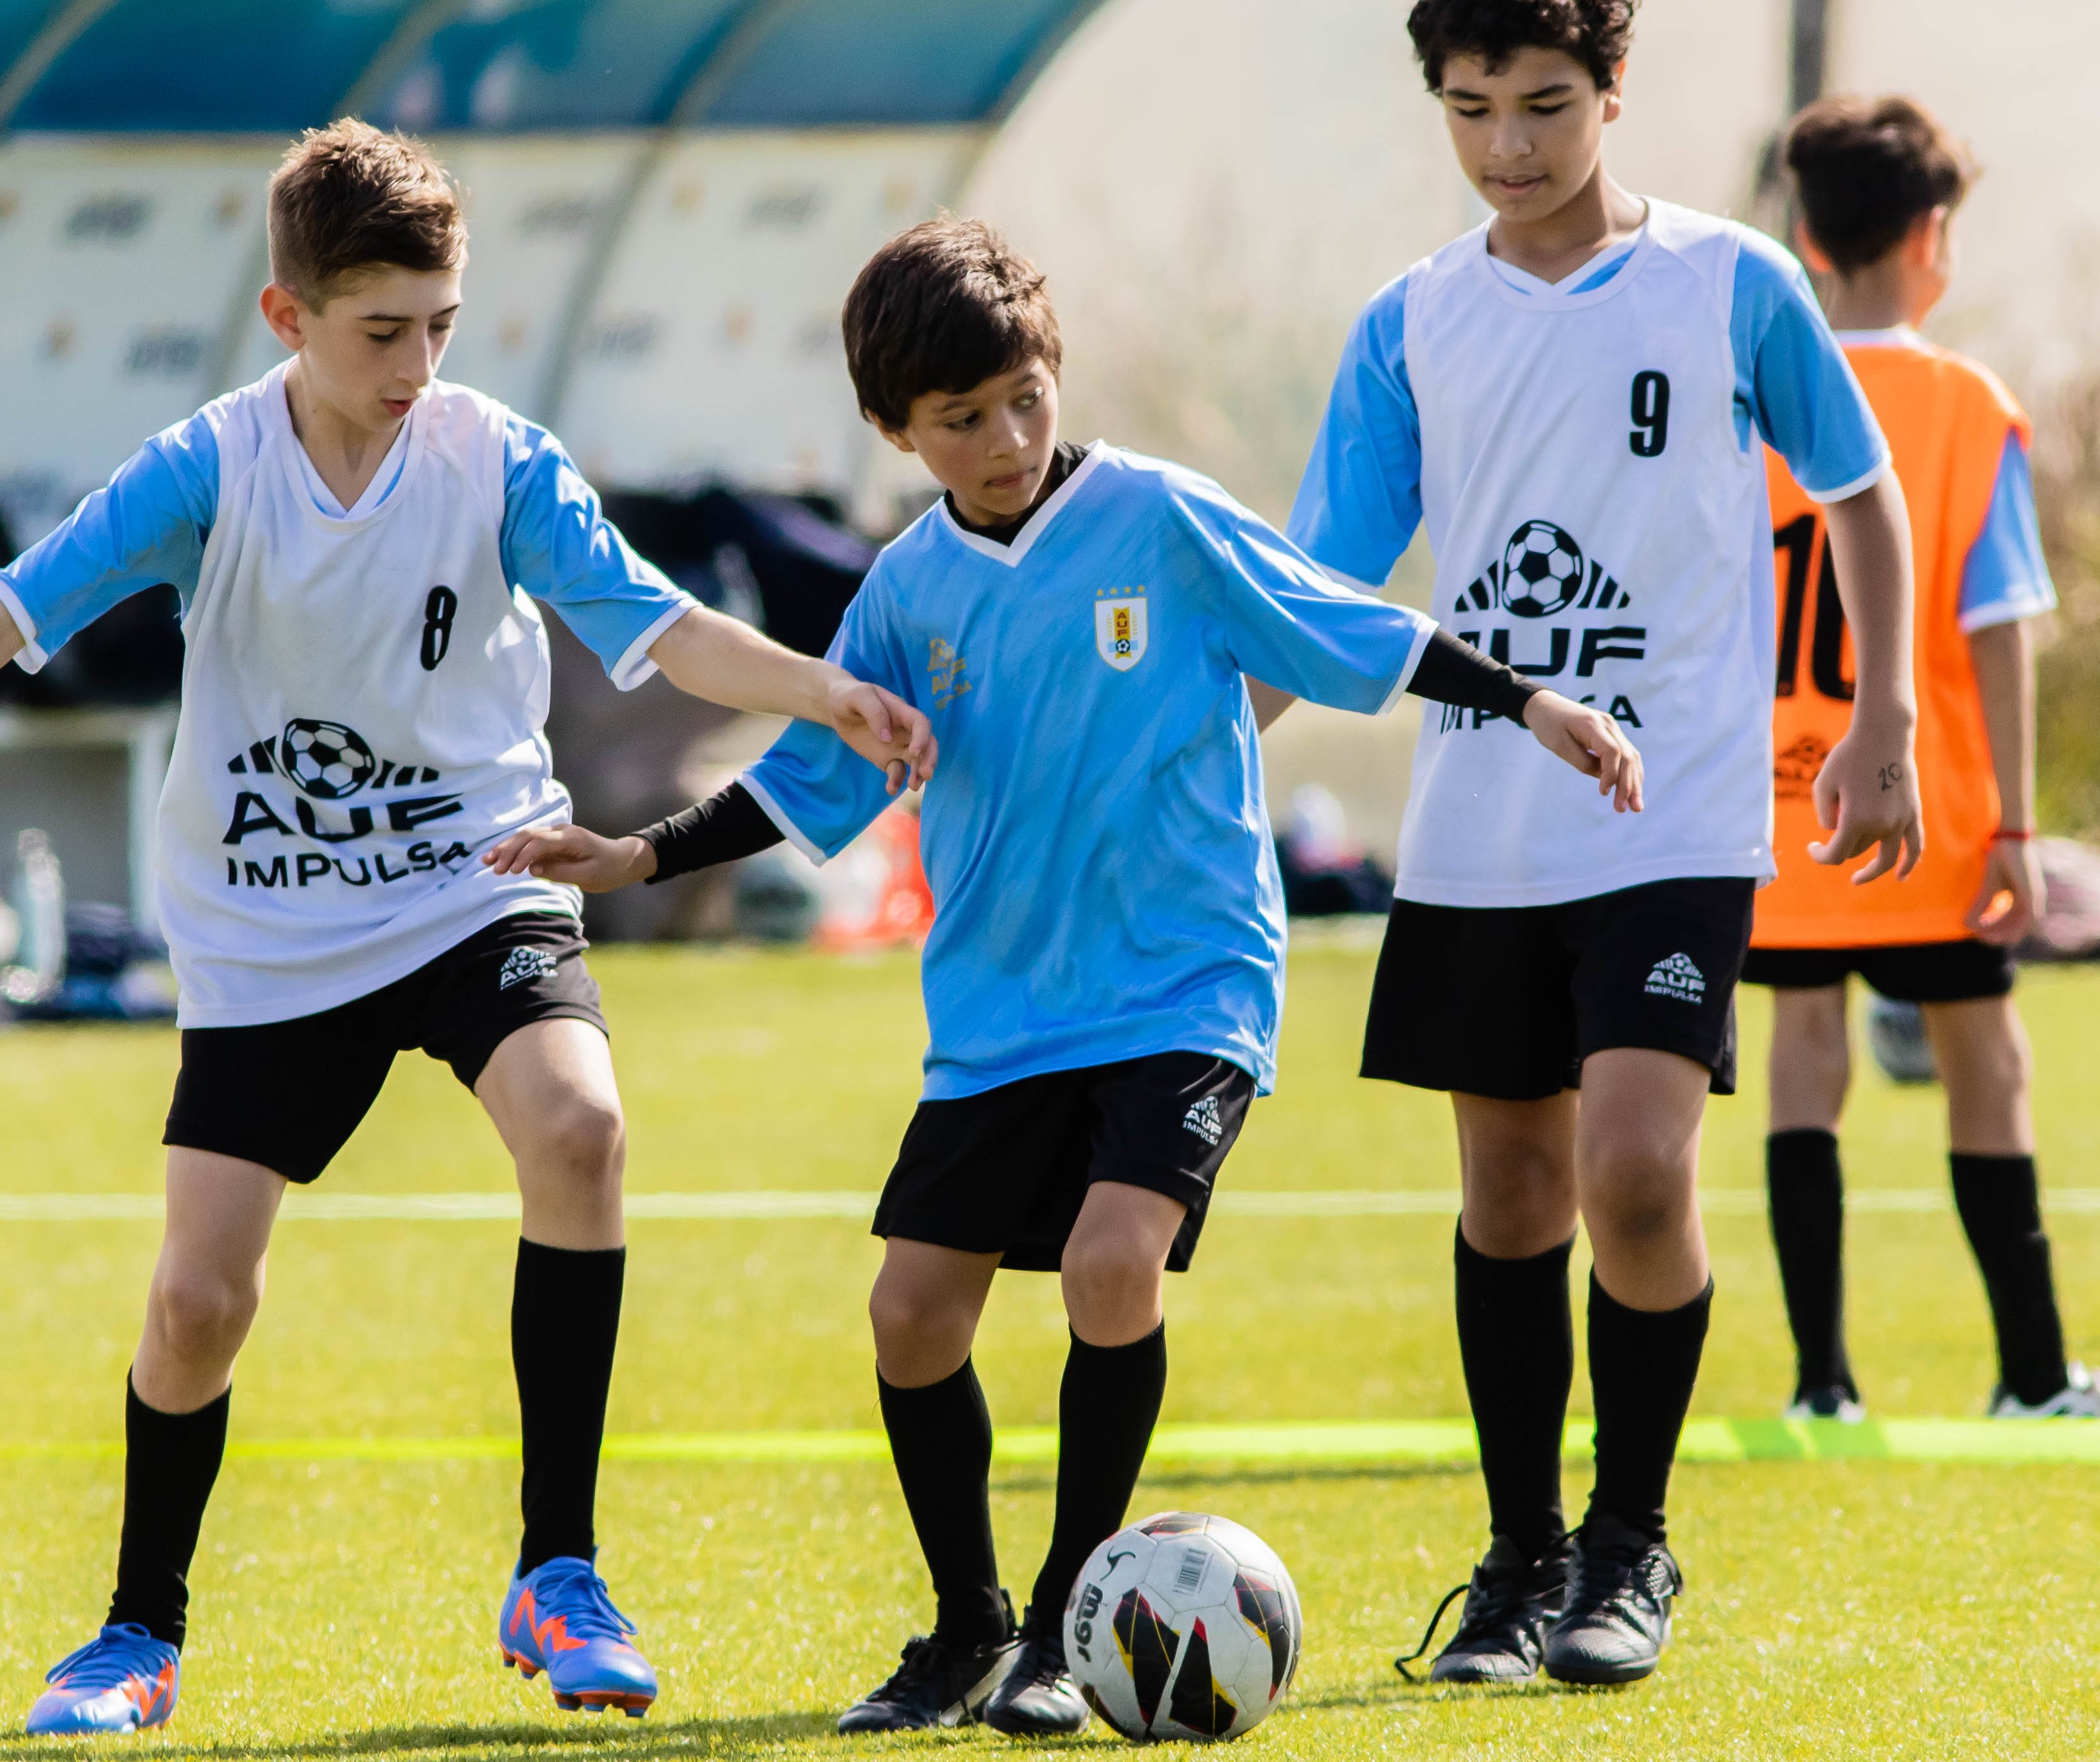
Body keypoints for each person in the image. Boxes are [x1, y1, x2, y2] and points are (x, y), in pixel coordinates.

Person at [0, 121, 938, 1736]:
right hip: (269, 929)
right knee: (198, 1306)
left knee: (579, 1129)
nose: (419, 363)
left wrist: (822, 688)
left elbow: (659, 626)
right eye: (383, 331)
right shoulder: (204, 470)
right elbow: (3, 614)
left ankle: (559, 1571)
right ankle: (134, 1633)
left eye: (443, 324)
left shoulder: (496, 457)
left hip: (476, 875)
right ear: (287, 317)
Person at [484, 216, 1641, 1737]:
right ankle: (967, 1624)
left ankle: (1056, 1625)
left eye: (1025, 397)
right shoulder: (903, 591)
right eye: (961, 421)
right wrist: (638, 857)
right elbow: (814, 782)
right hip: (1002, 1012)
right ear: (896, 431)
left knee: (1111, 1268)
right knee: (911, 1317)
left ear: (1054, 371)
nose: (1006, 437)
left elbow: (1349, 624)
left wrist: (1528, 701)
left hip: (1185, 984)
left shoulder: (1158, 519)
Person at [1290, 0, 1923, 1691]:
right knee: (1509, 1195)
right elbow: (1323, 600)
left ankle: (1631, 1544)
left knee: (1633, 1171)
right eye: (1475, 107)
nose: (1512, 144)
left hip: (1681, 809)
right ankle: (1520, 1560)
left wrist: (1885, 723)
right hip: (1480, 826)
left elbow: (1860, 489)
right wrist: (1170, 755)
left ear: (1614, 93)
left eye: (1548, 104)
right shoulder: (1410, 324)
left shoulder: (1729, 283)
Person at [1743, 96, 2092, 1423]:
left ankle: (1821, 1383)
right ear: (1932, 235)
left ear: (1809, 240)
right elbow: (1997, 627)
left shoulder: (1766, 397)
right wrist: (2009, 824)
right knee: (1987, 1065)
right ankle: (2029, 1372)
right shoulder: (1962, 404)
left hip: (1786, 803)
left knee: (1805, 1056)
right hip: (1933, 810)